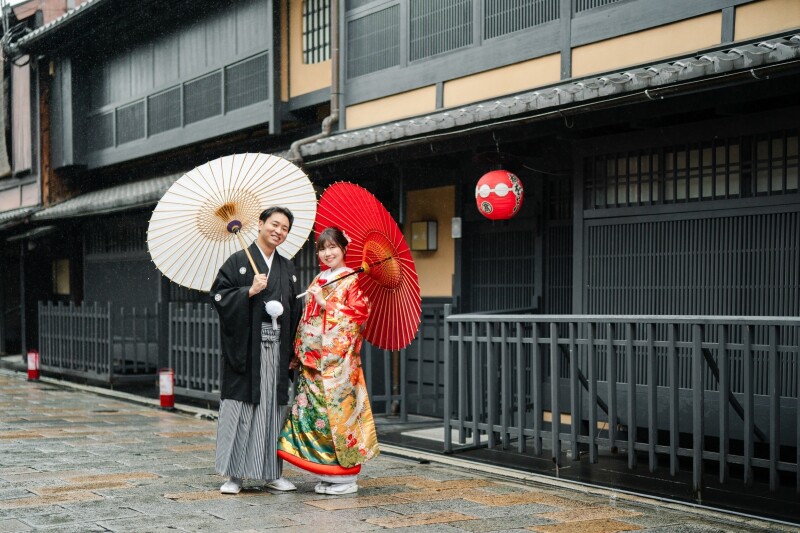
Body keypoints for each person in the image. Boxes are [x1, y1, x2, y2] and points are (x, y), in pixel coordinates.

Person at [277, 227, 379, 495]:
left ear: (344, 249)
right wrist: (298, 353)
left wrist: (326, 305)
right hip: (313, 363)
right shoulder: (319, 278)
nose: (327, 253)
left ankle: (345, 479)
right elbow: (306, 321)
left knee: (339, 417)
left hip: (338, 368)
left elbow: (359, 316)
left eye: (333, 247)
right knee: (315, 417)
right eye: (322, 248)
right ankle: (327, 474)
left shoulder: (352, 280)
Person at [210, 206, 302, 494]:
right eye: (274, 224)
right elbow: (218, 296)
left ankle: (271, 474)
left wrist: (293, 353)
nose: (279, 231)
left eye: (285, 228)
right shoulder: (237, 260)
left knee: (272, 411)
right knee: (240, 408)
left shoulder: (287, 267)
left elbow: (295, 310)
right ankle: (234, 476)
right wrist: (247, 291)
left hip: (276, 350)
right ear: (260, 224)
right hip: (246, 351)